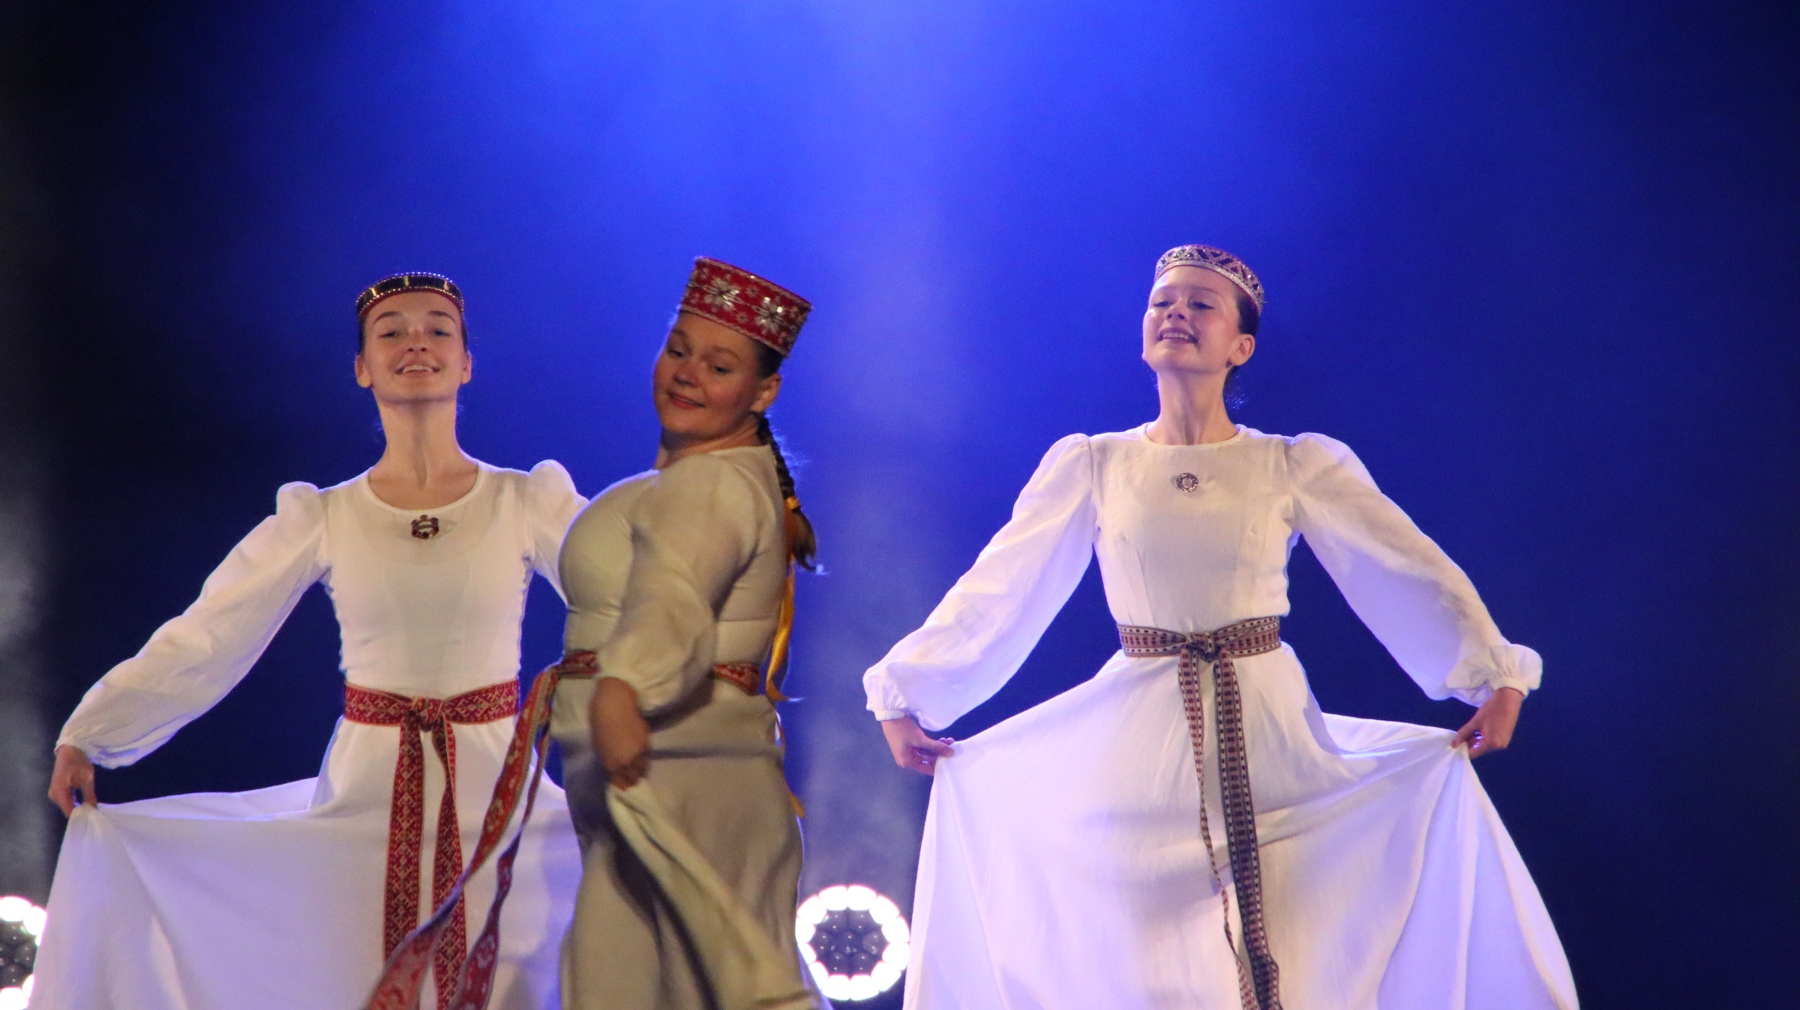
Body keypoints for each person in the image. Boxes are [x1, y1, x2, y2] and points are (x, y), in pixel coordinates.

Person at [864, 246, 1579, 1010]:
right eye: (1162, 302)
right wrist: (907, 693)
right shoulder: (1094, 464)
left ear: (1241, 346)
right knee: (1153, 967)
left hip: (1273, 739)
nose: (1176, 313)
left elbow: (1402, 564)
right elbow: (1002, 584)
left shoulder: (1291, 464)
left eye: (1200, 304)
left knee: (1296, 957)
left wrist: (1495, 674)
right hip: (1141, 747)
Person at [36, 273, 585, 1010]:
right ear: (362, 368)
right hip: (366, 793)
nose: (416, 343)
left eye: (437, 329)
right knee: (351, 973)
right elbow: (211, 633)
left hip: (499, 789)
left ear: (466, 363)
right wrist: (94, 731)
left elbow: (634, 596)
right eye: (391, 332)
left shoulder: (525, 501)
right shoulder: (325, 516)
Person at [553, 257, 822, 1010]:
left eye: (719, 365)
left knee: (690, 986)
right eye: (678, 350)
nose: (688, 373)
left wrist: (622, 688)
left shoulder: (712, 481)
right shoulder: (701, 477)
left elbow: (673, 597)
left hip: (675, 770)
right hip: (659, 776)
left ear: (763, 392)